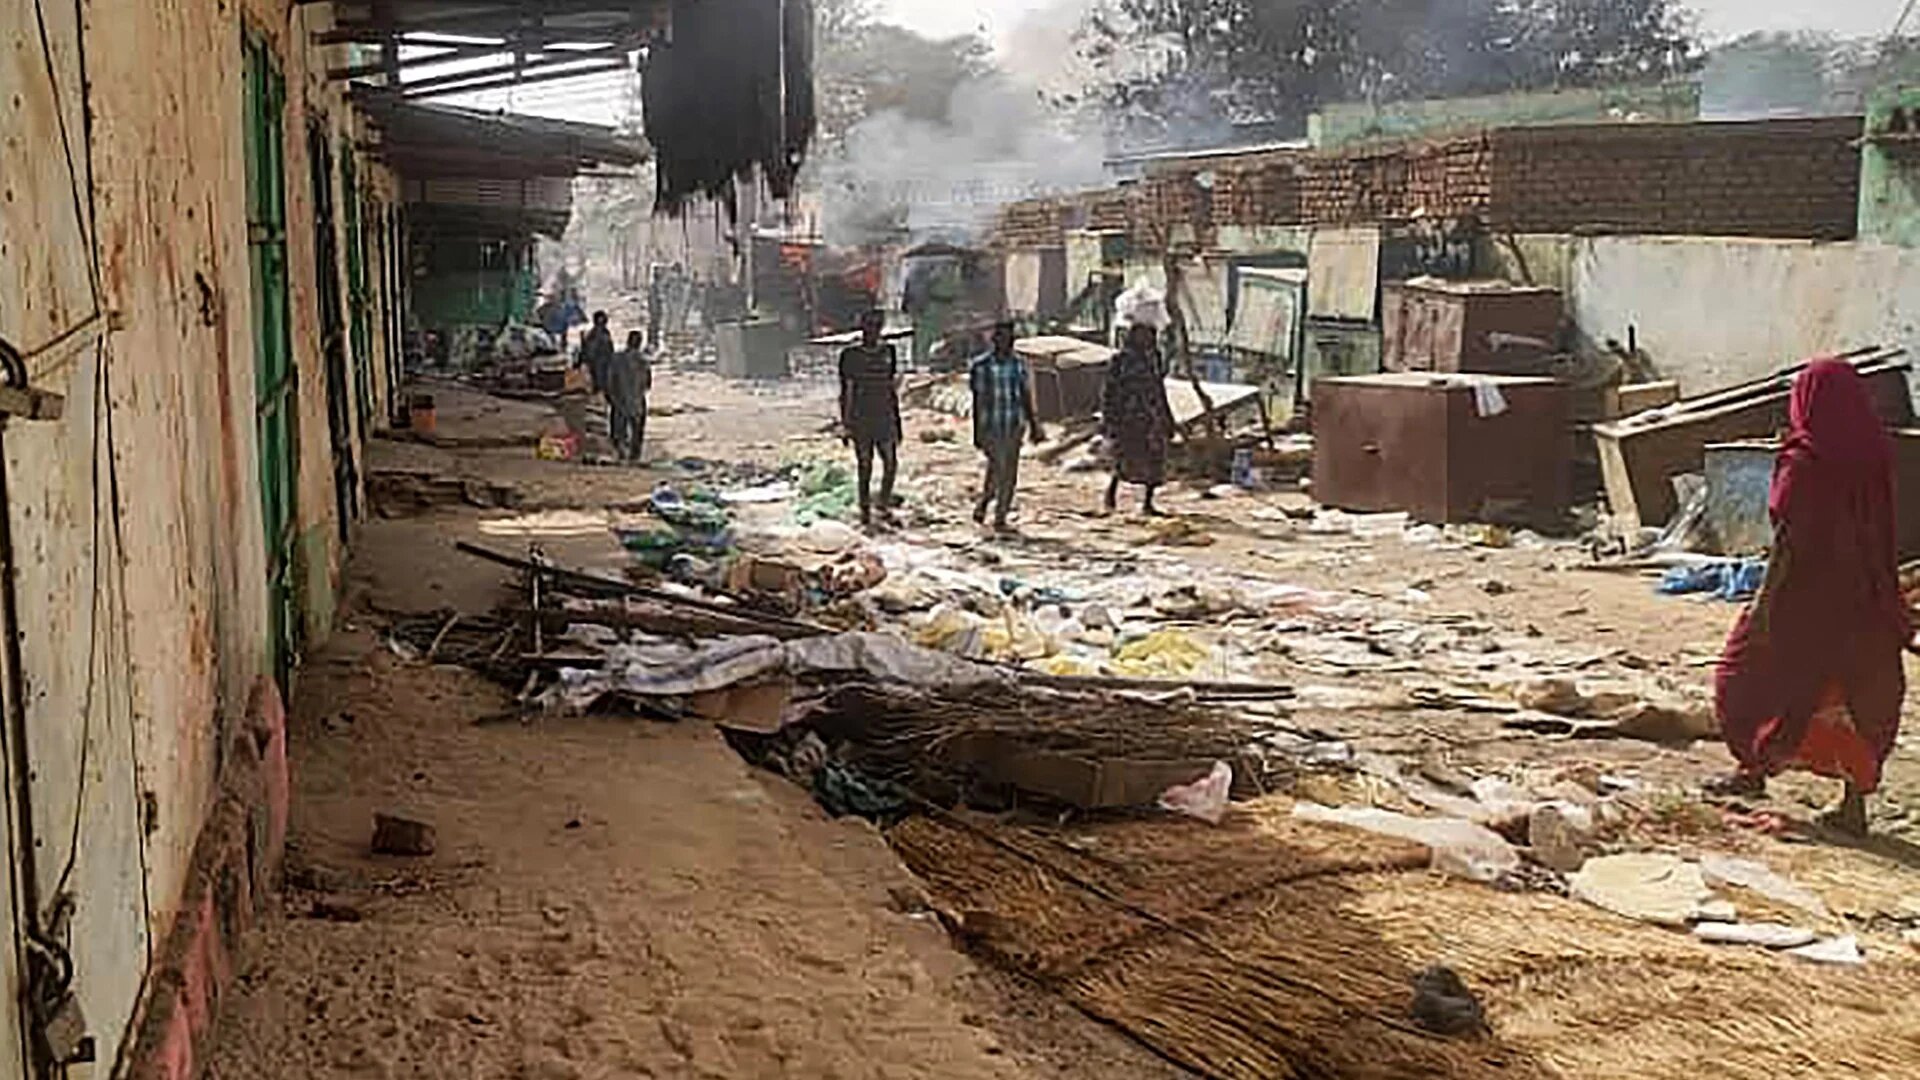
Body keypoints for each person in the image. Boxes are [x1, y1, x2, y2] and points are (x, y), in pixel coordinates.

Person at [1711, 359, 1910, 836]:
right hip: (1866, 596)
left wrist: (1763, 606)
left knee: (1744, 679)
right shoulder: (1875, 453)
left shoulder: (1805, 459)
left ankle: (1754, 769)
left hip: (1806, 597)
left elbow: (1790, 542)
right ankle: (1853, 805)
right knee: (1861, 695)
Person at [968, 319, 1045, 531]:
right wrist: (977, 432)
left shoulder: (1018, 365)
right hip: (991, 426)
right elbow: (978, 401)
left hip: (1013, 425)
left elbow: (1024, 395)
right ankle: (988, 503)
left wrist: (1034, 425)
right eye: (1002, 339)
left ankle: (997, 513)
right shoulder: (980, 366)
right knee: (1000, 468)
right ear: (994, 341)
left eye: (1010, 339)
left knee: (1007, 472)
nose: (1007, 343)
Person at [1102, 320, 1176, 516]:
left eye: (1152, 335)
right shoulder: (1120, 360)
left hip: (1151, 416)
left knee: (1155, 459)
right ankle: (1111, 493)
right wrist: (1109, 419)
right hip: (1127, 416)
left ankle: (1148, 503)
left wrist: (1168, 417)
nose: (1150, 339)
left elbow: (1159, 388)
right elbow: (1109, 391)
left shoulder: (1155, 358)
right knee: (1125, 457)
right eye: (1145, 335)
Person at [838, 310, 902, 527]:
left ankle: (882, 504)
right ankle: (865, 511)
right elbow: (846, 391)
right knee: (865, 466)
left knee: (891, 463)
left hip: (884, 416)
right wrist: (845, 425)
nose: (873, 333)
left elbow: (891, 388)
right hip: (861, 418)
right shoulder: (851, 356)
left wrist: (897, 422)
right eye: (870, 328)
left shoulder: (888, 352)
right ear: (863, 329)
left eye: (877, 328)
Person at [606, 330, 651, 463]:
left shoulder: (617, 358)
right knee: (637, 429)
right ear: (639, 343)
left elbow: (610, 379)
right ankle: (634, 455)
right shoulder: (643, 361)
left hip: (620, 399)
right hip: (637, 400)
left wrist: (611, 396)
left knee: (618, 428)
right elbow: (648, 383)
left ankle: (621, 451)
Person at [577, 311, 615, 392]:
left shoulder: (598, 333)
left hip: (601, 364)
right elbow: (590, 352)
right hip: (598, 365)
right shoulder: (597, 335)